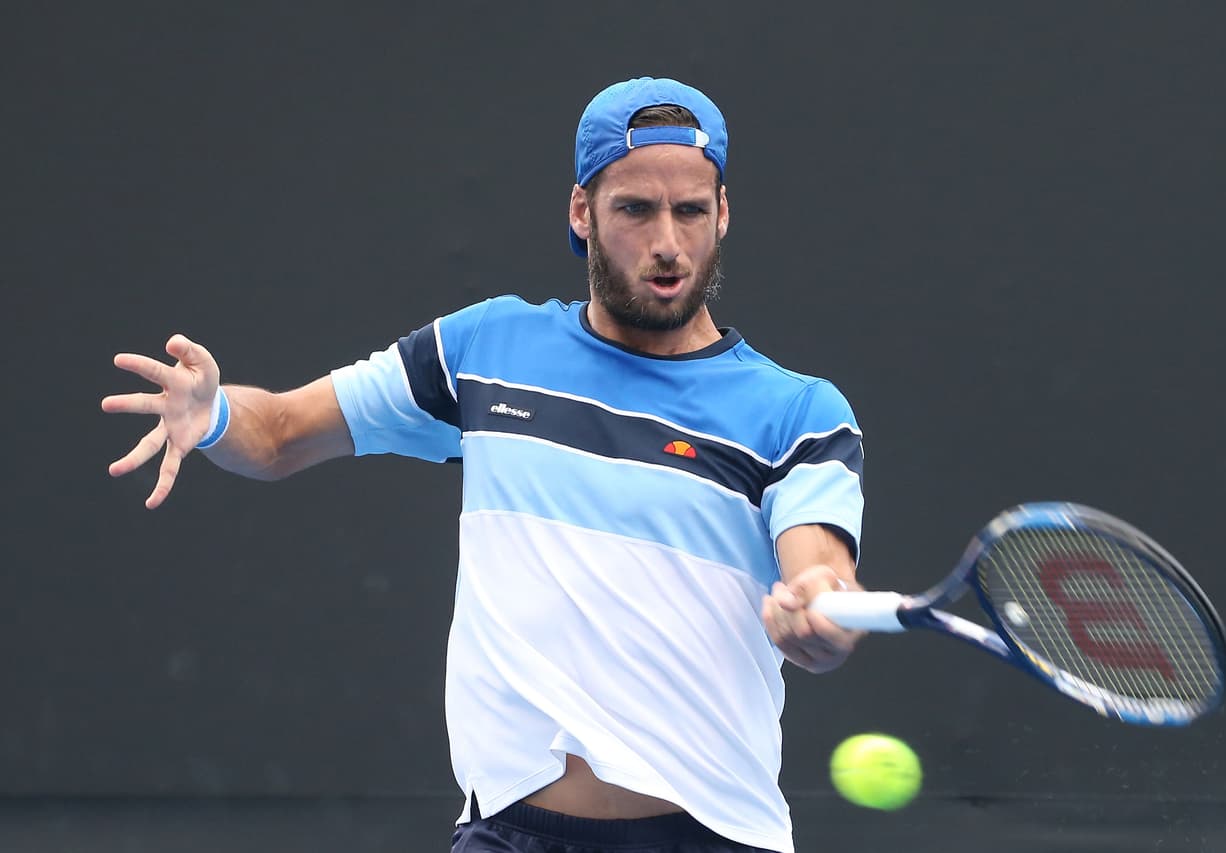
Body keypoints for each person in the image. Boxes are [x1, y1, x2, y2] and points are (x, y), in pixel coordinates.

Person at [103, 77, 867, 853]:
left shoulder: (798, 411)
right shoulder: (485, 351)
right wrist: (214, 414)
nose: (667, 240)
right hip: (509, 833)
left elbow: (821, 573)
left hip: (714, 837)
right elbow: (281, 432)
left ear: (723, 214)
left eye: (691, 210)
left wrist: (818, 613)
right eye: (635, 208)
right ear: (583, 212)